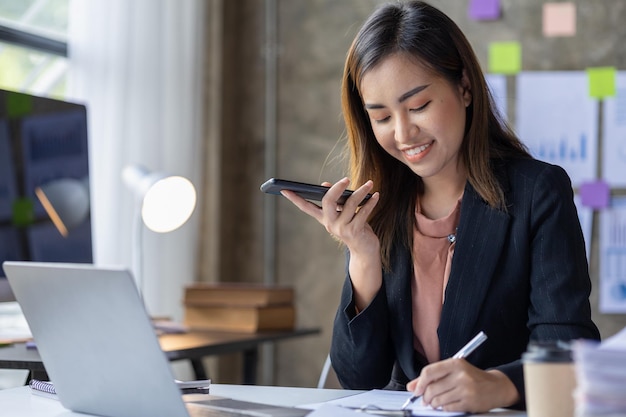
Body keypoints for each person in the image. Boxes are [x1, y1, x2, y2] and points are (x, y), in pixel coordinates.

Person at [280, 0, 600, 413]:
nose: (403, 132)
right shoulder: (378, 207)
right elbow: (361, 379)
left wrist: (498, 385)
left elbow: (569, 347)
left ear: (464, 87)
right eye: (381, 117)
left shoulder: (537, 191)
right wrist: (362, 257)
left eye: (418, 106)